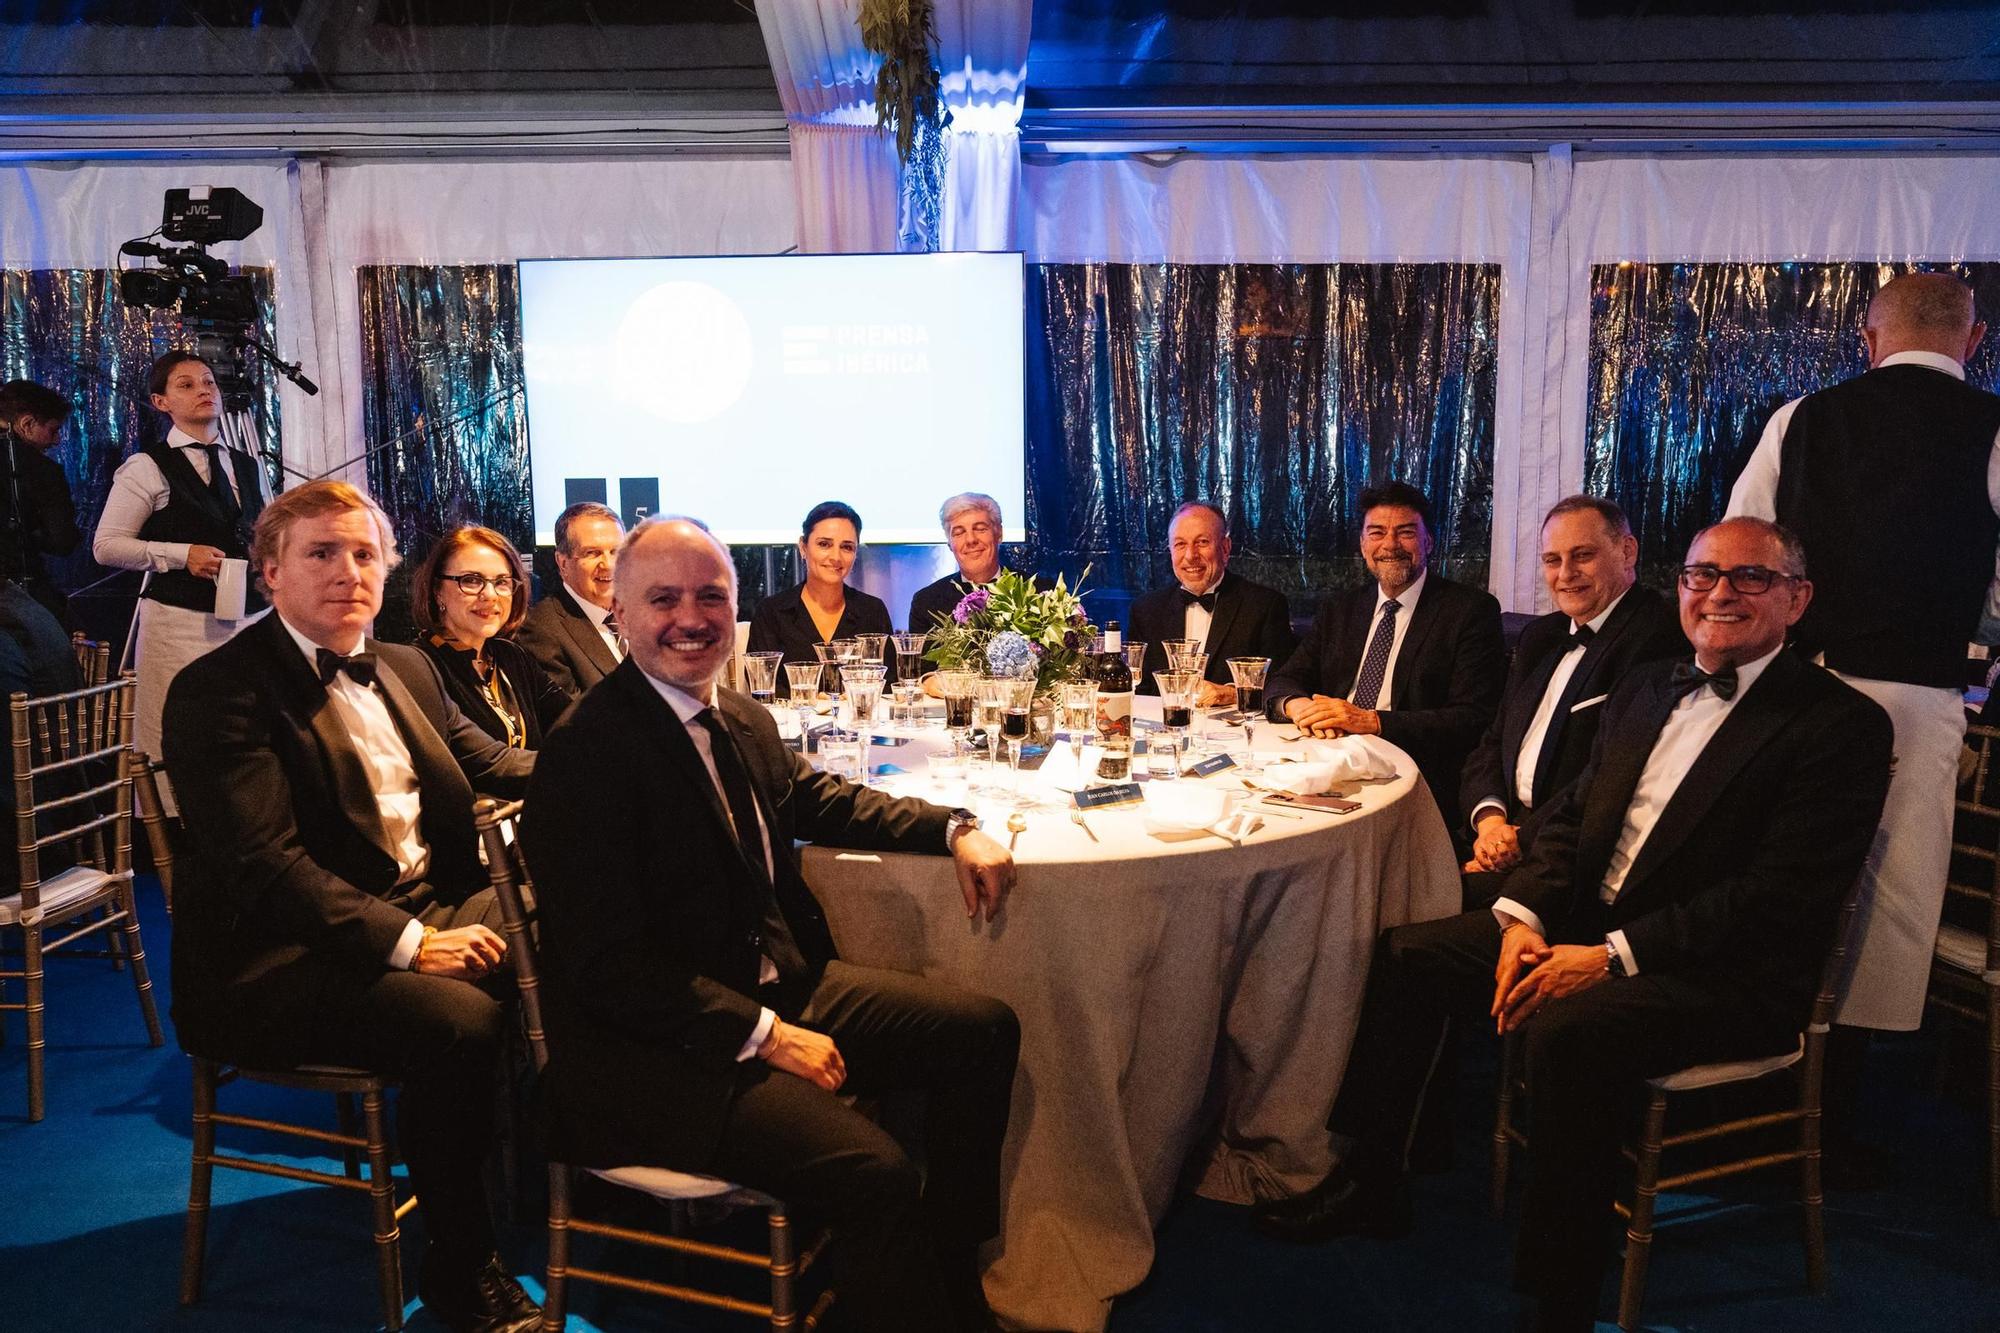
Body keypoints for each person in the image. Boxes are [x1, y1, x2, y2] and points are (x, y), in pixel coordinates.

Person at [1252, 517, 1893, 1333]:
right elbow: (1572, 821)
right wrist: (1525, 915)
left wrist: (1610, 957)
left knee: (1569, 1030)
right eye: (1702, 575)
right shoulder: (1648, 684)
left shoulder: (1840, 724)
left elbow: (1774, 898)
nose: (1719, 593)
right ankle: (1376, 1183)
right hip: (1588, 924)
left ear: (1798, 598)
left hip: (1724, 971)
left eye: (1750, 578)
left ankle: (1558, 1298)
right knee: (1409, 952)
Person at [522, 516, 1021, 1333]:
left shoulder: (739, 716)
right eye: (664, 598)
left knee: (984, 1030)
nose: (691, 616)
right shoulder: (587, 753)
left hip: (770, 986)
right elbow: (608, 970)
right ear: (618, 610)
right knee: (877, 1169)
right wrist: (765, 1034)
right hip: (655, 1054)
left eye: (710, 595)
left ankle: (946, 1272)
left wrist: (952, 825)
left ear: (736, 605)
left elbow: (823, 800)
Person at [162, 480, 539, 1333]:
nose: (348, 571)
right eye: (322, 553)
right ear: (270, 574)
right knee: (461, 1022)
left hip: (411, 902)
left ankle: (542, 1170)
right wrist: (410, 942)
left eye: (364, 553)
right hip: (274, 961)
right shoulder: (220, 690)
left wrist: (631, 752)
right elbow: (268, 866)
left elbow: (492, 761)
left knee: (566, 928)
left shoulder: (402, 663)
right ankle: (461, 1262)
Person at [1727, 271, 2000, 1170]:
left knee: (1782, 871)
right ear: (1974, 339)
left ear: (1868, 337)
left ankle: (1753, 1074)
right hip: (1920, 696)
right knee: (1884, 900)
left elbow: (1743, 551)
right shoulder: (1995, 429)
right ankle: (1835, 1120)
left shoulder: (1801, 418)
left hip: (1800, 688)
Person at [1458, 495, 1684, 905]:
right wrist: (1489, 821)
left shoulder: (1658, 636)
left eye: (1583, 556)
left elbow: (1612, 775)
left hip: (1564, 854)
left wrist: (1516, 842)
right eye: (1552, 560)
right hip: (1495, 832)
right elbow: (1493, 742)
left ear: (1627, 551)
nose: (1566, 574)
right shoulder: (1541, 636)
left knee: (1403, 919)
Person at [1265, 480, 1505, 833]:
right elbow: (1285, 680)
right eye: (1376, 533)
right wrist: (1297, 706)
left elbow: (1474, 718)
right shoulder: (1341, 609)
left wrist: (1371, 721)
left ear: (1429, 541)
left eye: (1405, 532)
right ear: (1363, 545)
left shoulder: (1470, 610)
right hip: (1328, 758)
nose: (1389, 545)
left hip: (1411, 773)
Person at [93, 351, 271, 807]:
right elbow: (107, 546)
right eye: (186, 385)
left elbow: (263, 531)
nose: (204, 390)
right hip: (179, 622)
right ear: (161, 401)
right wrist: (178, 554)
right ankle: (171, 828)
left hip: (248, 620)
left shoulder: (246, 464)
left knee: (249, 723)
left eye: (208, 381)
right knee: (175, 726)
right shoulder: (147, 466)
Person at [410, 525, 570, 750]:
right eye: (471, 581)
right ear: (437, 590)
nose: (490, 595)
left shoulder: (511, 655)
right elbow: (480, 765)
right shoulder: (419, 666)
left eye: (502, 582)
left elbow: (572, 720)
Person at [1128, 501, 1297, 706]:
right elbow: (1138, 690)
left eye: (1202, 542)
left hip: (1234, 731)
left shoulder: (1264, 605)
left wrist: (1231, 694)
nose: (1190, 556)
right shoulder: (1146, 610)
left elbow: (1285, 684)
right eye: (1180, 544)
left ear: (1225, 549)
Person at [746, 500, 894, 696]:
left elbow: (890, 682)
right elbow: (762, 686)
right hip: (793, 723)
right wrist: (812, 701)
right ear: (803, 547)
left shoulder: (872, 610)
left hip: (859, 723)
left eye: (847, 547)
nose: (836, 557)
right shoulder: (772, 612)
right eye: (824, 544)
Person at [516, 500, 623, 701]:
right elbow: (573, 723)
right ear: (562, 562)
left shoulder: (643, 615)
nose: (608, 564)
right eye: (592, 553)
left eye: (616, 552)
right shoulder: (540, 629)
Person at [0, 378, 82, 622]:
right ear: (27, 424)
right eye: (53, 430)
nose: (56, 441)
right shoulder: (42, 470)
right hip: (17, 595)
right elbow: (63, 540)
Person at [907, 491, 1032, 635]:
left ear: (999, 533)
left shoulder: (1040, 593)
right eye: (959, 533)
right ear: (949, 543)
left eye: (980, 529)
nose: (971, 540)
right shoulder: (926, 603)